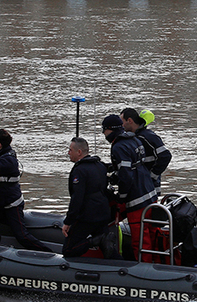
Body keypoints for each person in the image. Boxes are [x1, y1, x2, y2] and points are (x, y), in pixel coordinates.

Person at [0, 129, 52, 252]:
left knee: (21, 236)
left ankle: (47, 253)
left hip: (11, 204)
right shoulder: (2, 156)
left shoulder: (8, 160)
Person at [102, 114, 157, 262]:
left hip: (136, 199)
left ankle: (143, 269)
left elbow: (126, 175)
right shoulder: (134, 139)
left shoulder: (118, 146)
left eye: (104, 131)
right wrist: (113, 171)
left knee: (140, 239)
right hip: (149, 193)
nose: (104, 134)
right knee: (152, 233)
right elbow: (133, 165)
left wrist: (121, 196)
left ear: (110, 130)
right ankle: (157, 263)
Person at [61, 137, 115, 257]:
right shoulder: (100, 166)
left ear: (79, 152)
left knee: (68, 250)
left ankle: (95, 240)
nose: (68, 153)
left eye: (70, 150)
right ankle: (117, 261)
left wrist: (68, 221)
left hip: (87, 216)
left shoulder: (80, 170)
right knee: (108, 248)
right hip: (103, 213)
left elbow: (77, 198)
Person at [121, 107, 172, 196]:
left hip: (150, 187)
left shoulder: (147, 137)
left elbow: (166, 156)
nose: (121, 126)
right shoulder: (134, 138)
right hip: (141, 187)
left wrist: (152, 176)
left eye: (122, 122)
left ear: (129, 120)